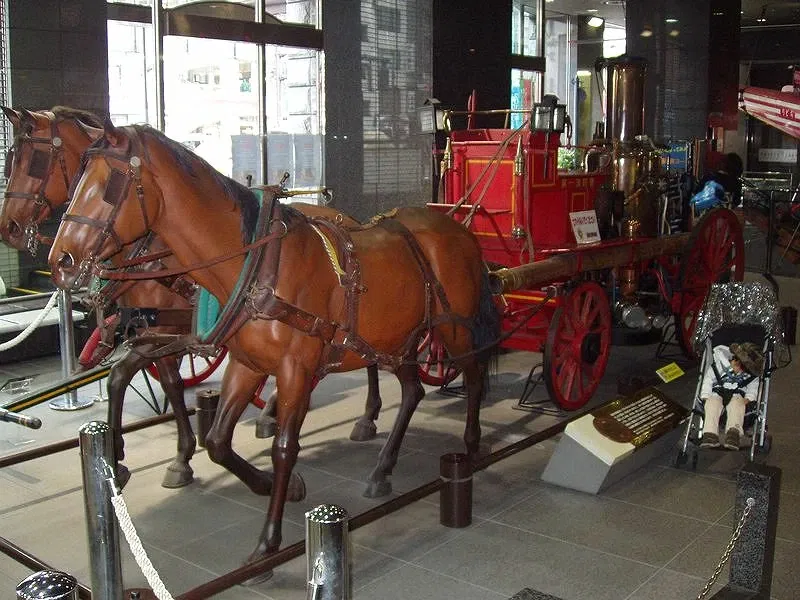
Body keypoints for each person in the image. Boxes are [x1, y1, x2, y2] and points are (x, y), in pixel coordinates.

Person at [698, 341, 763, 450]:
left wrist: (749, 398)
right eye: (738, 365)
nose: (739, 370)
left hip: (737, 395)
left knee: (737, 405)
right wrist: (705, 395)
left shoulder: (752, 375)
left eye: (743, 369)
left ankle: (733, 433)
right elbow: (708, 380)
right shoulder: (719, 365)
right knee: (712, 403)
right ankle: (710, 433)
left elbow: (753, 387)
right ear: (733, 359)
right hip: (717, 391)